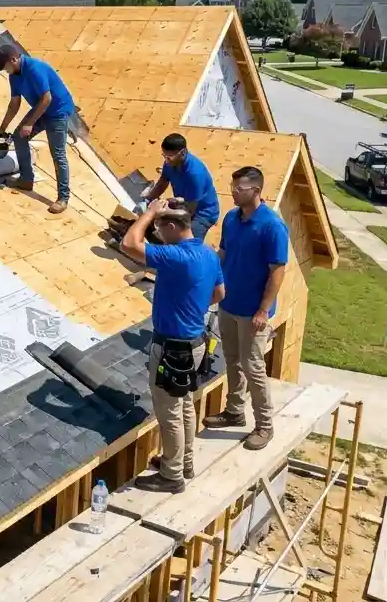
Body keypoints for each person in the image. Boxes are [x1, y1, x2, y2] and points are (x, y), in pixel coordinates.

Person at [120, 198, 224, 494]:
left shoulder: (176, 256)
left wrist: (149, 212)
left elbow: (130, 244)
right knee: (185, 404)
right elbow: (219, 292)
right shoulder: (207, 253)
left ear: (171, 226)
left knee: (169, 413)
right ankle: (184, 461)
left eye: (159, 228)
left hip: (172, 348)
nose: (157, 234)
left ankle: (172, 475)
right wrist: (191, 304)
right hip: (195, 344)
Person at [202, 166, 290, 451]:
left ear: (256, 191)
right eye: (232, 185)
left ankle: (265, 425)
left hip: (253, 312)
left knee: (254, 368)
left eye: (239, 188)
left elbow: (277, 271)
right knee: (232, 362)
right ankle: (234, 411)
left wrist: (263, 311)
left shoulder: (272, 226)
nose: (232, 191)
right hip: (228, 305)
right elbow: (224, 254)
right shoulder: (231, 218)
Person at [0, 44, 75, 214]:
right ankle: (26, 179)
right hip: (41, 109)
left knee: (58, 153)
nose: (5, 71)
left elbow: (47, 99)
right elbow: (14, 104)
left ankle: (63, 198)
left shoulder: (35, 68)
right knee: (18, 137)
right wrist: (2, 128)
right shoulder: (14, 76)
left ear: (14, 60)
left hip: (58, 112)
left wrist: (29, 123)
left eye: (5, 67)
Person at [141, 134, 220, 240]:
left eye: (169, 157)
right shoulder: (170, 163)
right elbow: (163, 181)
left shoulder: (195, 174)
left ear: (182, 153)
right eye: (164, 156)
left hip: (202, 213)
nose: (166, 160)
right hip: (183, 203)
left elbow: (189, 211)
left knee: (188, 243)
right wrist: (147, 200)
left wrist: (161, 211)